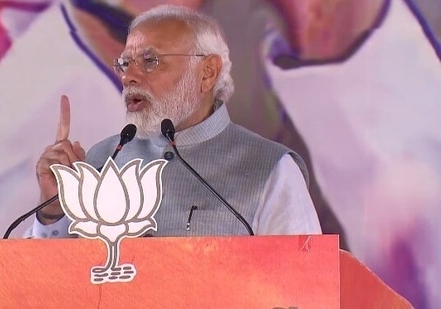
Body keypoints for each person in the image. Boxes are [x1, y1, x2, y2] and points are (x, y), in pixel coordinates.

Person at [26, 4, 322, 238]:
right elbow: (54, 281)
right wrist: (53, 210)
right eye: (125, 63)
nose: (129, 76)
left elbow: (304, 286)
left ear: (207, 72)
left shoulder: (270, 169)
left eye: (150, 61)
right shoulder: (101, 161)